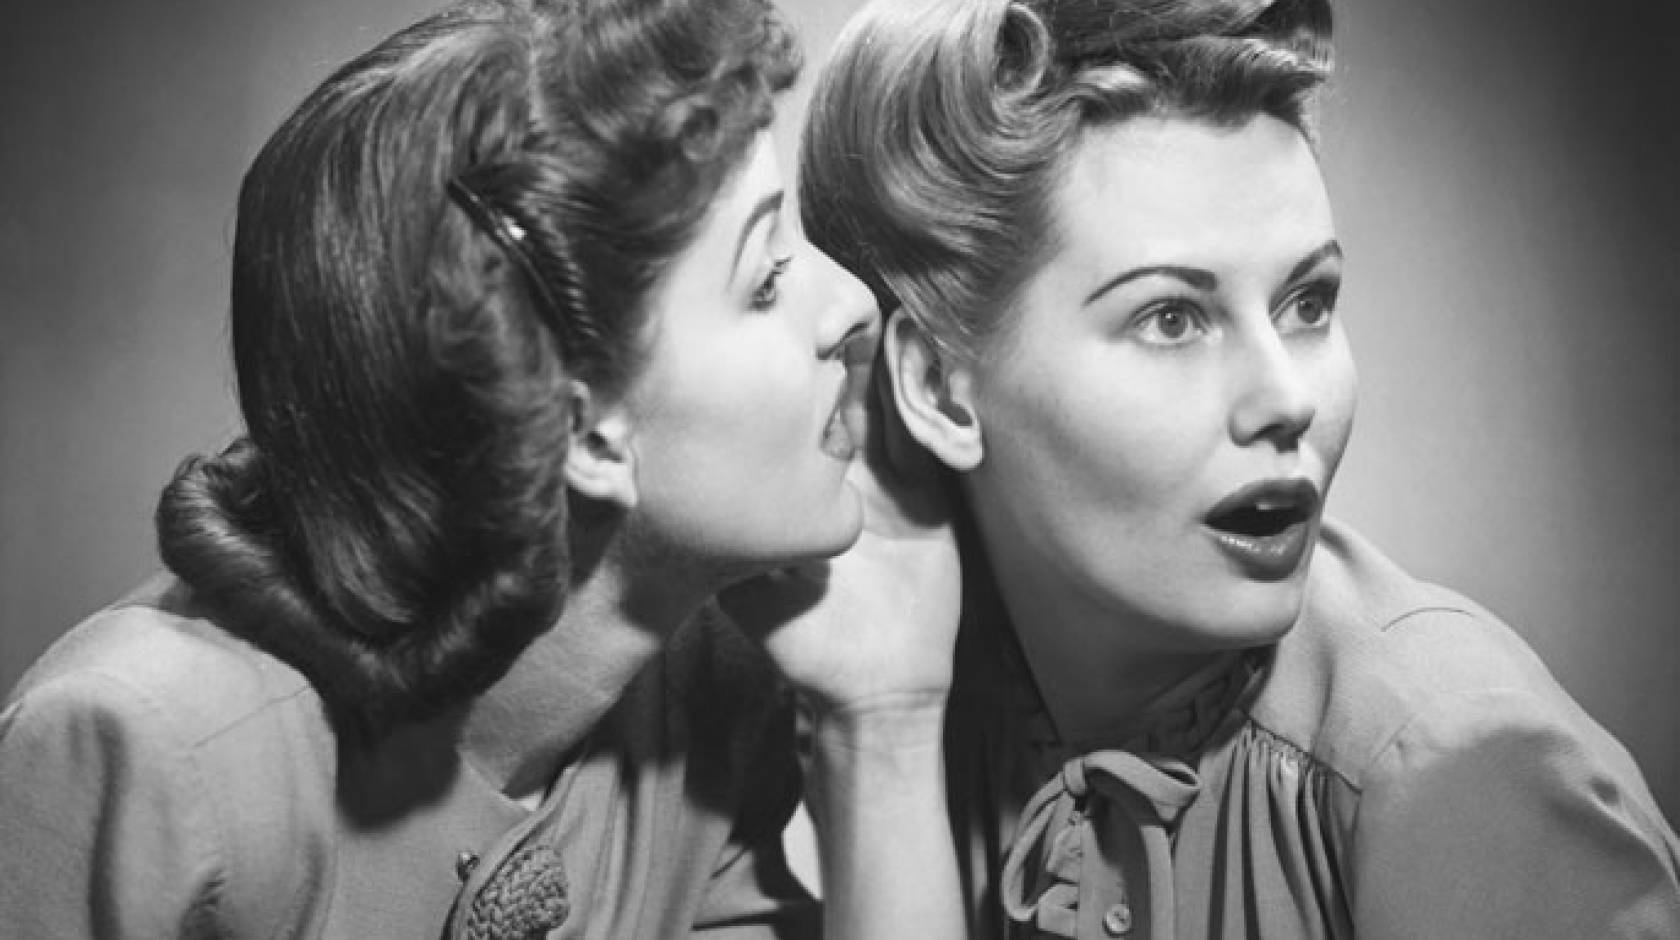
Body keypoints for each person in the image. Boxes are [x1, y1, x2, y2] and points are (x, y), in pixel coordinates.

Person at [0, 0, 966, 936]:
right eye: (765, 280)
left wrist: (887, 721)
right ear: (585, 433)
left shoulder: (709, 698)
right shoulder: (146, 751)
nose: (852, 310)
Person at [799, 0, 1680, 936]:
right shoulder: (889, 689)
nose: (1287, 398)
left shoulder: (1455, 759)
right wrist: (883, 732)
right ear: (938, 390)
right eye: (1171, 318)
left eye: (1307, 302)